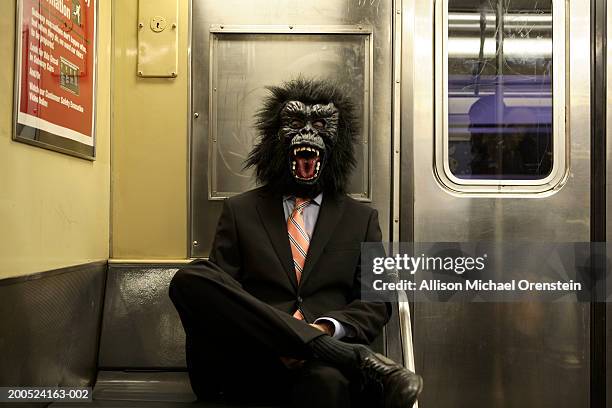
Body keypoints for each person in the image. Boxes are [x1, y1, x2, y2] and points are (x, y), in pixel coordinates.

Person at [169, 78, 422, 408]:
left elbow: (376, 301)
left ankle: (321, 347)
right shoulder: (240, 210)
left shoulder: (360, 219)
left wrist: (324, 329)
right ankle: (345, 354)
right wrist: (279, 340)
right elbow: (221, 299)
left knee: (328, 387)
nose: (307, 133)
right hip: (252, 357)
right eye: (294, 122)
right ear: (274, 139)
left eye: (320, 124)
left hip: (325, 369)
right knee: (191, 278)